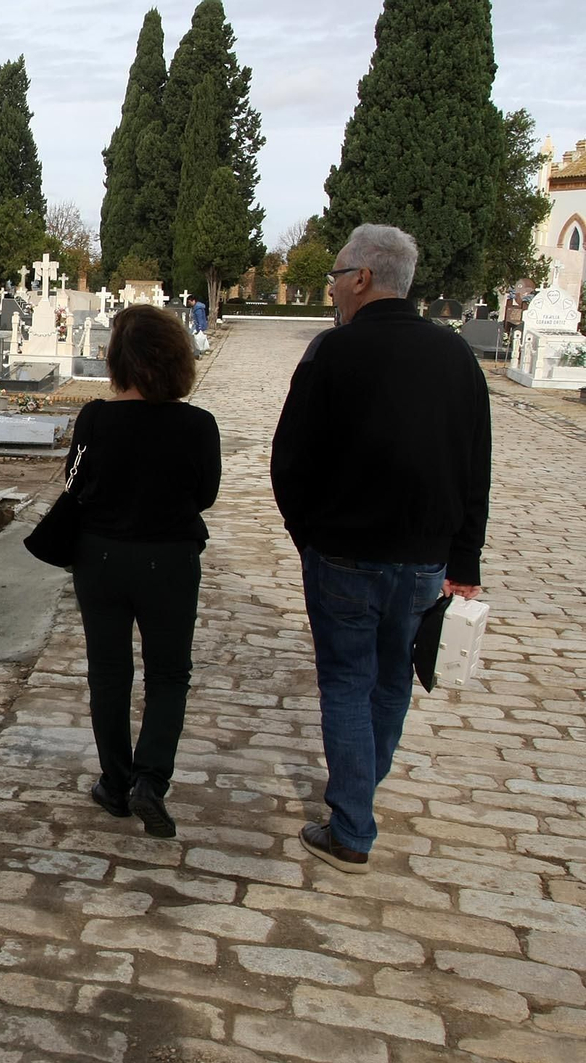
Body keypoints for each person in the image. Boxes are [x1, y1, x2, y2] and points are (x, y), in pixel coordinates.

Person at [271, 223, 491, 874]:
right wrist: (465, 559)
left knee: (346, 682)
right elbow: (475, 465)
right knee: (392, 681)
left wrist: (307, 535)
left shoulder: (332, 353)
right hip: (424, 557)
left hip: (342, 552)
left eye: (337, 275)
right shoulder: (456, 358)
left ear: (363, 278)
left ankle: (351, 826)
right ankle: (360, 795)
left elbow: (290, 459)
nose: (333, 289)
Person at [69, 304, 221, 838]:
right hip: (170, 560)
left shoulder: (94, 418)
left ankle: (115, 781)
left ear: (118, 361)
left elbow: (75, 484)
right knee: (168, 674)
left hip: (101, 558)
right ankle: (150, 781)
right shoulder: (198, 425)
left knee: (109, 671)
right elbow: (205, 494)